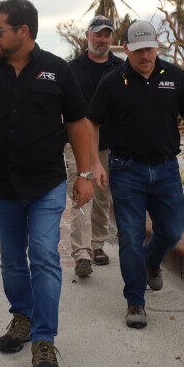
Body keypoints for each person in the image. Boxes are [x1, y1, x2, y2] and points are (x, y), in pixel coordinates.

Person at [0, 0, 93, 367]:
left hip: (45, 184)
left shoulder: (56, 71)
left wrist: (86, 174)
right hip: (0, 186)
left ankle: (44, 339)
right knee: (12, 259)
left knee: (44, 256)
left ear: (23, 31)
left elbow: (78, 123)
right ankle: (22, 317)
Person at [88, 20, 184, 330]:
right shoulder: (112, 82)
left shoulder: (174, 77)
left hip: (166, 168)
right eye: (139, 50)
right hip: (126, 169)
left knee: (172, 230)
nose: (146, 56)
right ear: (126, 49)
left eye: (150, 49)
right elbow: (92, 123)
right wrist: (95, 164)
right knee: (129, 236)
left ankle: (152, 261)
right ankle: (135, 302)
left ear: (158, 47)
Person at [65, 15, 122, 278]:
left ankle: (97, 245)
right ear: (87, 35)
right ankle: (82, 254)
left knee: (102, 198)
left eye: (107, 34)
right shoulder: (72, 69)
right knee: (81, 196)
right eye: (98, 34)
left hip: (111, 144)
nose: (103, 39)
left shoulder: (122, 69)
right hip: (78, 145)